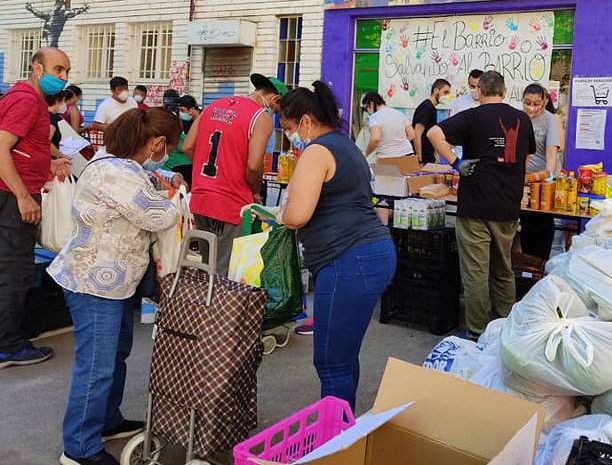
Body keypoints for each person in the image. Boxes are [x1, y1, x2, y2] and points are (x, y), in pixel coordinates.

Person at [49, 108, 183, 465]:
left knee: (115, 353)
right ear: (155, 143)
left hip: (114, 282)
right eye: (168, 148)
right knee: (97, 365)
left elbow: (147, 180)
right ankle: (79, 448)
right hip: (95, 284)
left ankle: (106, 420)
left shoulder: (118, 162)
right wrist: (176, 198)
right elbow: (159, 214)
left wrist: (168, 177)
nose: (166, 155)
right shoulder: (116, 172)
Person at [278, 81, 395, 411]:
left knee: (331, 363)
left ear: (305, 121)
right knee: (343, 357)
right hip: (369, 253)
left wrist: (281, 215)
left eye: (289, 128)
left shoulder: (317, 150)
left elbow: (298, 214)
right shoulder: (345, 146)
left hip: (349, 261)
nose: (291, 136)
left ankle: (334, 448)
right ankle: (344, 432)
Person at [427, 71, 535, 340]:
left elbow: (433, 133)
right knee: (503, 270)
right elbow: (526, 160)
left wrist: (455, 162)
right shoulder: (521, 119)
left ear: (480, 91)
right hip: (508, 206)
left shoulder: (472, 117)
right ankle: (504, 332)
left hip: (475, 206)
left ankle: (477, 333)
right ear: (505, 90)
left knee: (475, 273)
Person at [0, 47, 71, 369]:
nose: (64, 78)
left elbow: (20, 153)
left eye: (67, 71)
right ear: (37, 68)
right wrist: (23, 196)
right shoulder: (27, 100)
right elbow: (1, 150)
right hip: (13, 199)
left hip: (15, 192)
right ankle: (9, 345)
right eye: (58, 70)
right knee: (15, 271)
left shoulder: (24, 97)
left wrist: (49, 166)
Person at [183, 73, 286, 274]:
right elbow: (254, 165)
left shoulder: (213, 106)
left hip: (201, 197)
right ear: (275, 99)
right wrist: (256, 192)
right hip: (231, 201)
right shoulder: (261, 116)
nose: (274, 112)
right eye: (277, 108)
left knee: (207, 266)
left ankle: (205, 305)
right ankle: (222, 306)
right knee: (228, 271)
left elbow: (187, 146)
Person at [518, 83, 562, 260]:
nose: (531, 107)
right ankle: (526, 265)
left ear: (544, 101)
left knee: (542, 220)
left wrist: (544, 176)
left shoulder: (550, 119)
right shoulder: (519, 117)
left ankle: (539, 264)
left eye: (536, 103)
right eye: (527, 102)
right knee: (526, 223)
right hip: (523, 181)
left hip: (543, 180)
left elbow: (552, 155)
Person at [361, 91, 415, 159]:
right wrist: (398, 144)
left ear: (371, 104)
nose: (367, 111)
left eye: (366, 109)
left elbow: (375, 138)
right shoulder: (399, 114)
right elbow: (412, 134)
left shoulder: (375, 117)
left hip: (388, 157)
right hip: (408, 155)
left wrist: (366, 153)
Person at [412, 78, 451, 164]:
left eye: (448, 93)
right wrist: (419, 159)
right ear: (436, 90)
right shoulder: (427, 107)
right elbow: (417, 134)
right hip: (423, 159)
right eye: (445, 92)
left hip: (429, 157)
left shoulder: (432, 108)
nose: (447, 96)